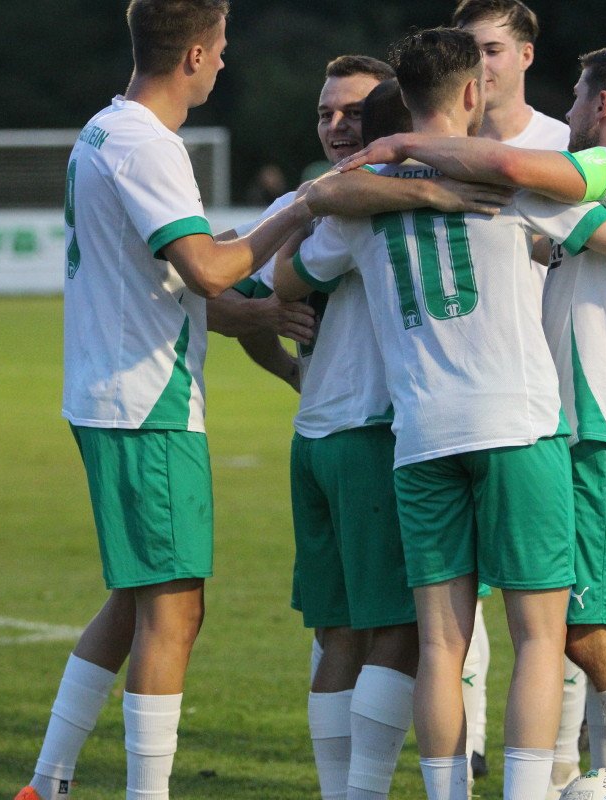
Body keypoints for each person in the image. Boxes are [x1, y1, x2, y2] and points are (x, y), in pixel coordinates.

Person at [277, 28, 606, 800]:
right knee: (540, 639)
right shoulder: (518, 191)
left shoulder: (356, 209)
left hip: (420, 438)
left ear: (402, 100)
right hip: (520, 429)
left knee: (441, 643)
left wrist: (371, 183)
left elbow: (285, 274)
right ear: (473, 93)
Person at [14, 2, 314, 799]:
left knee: (136, 601)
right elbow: (209, 272)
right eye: (219, 50)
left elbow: (183, 285)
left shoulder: (104, 129)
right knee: (176, 612)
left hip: (110, 393)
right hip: (146, 403)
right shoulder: (149, 144)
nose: (224, 63)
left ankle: (49, 781)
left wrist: (258, 320)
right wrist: (305, 208)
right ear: (191, 55)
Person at [219, 55, 512, 800]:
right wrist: (277, 349)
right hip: (368, 431)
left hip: (321, 439)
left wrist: (275, 336)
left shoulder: (316, 205)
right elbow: (224, 300)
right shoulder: (351, 202)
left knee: (343, 636)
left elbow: (237, 286)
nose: (337, 124)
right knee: (400, 632)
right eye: (325, 113)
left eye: (352, 111)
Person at [451, 3, 601, 789]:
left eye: (495, 48)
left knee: (558, 609)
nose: (483, 64)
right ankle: (471, 751)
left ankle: (562, 761)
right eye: (470, 50)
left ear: (526, 54)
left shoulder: (561, 145)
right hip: (463, 405)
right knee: (456, 608)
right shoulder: (444, 147)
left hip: (555, 403)